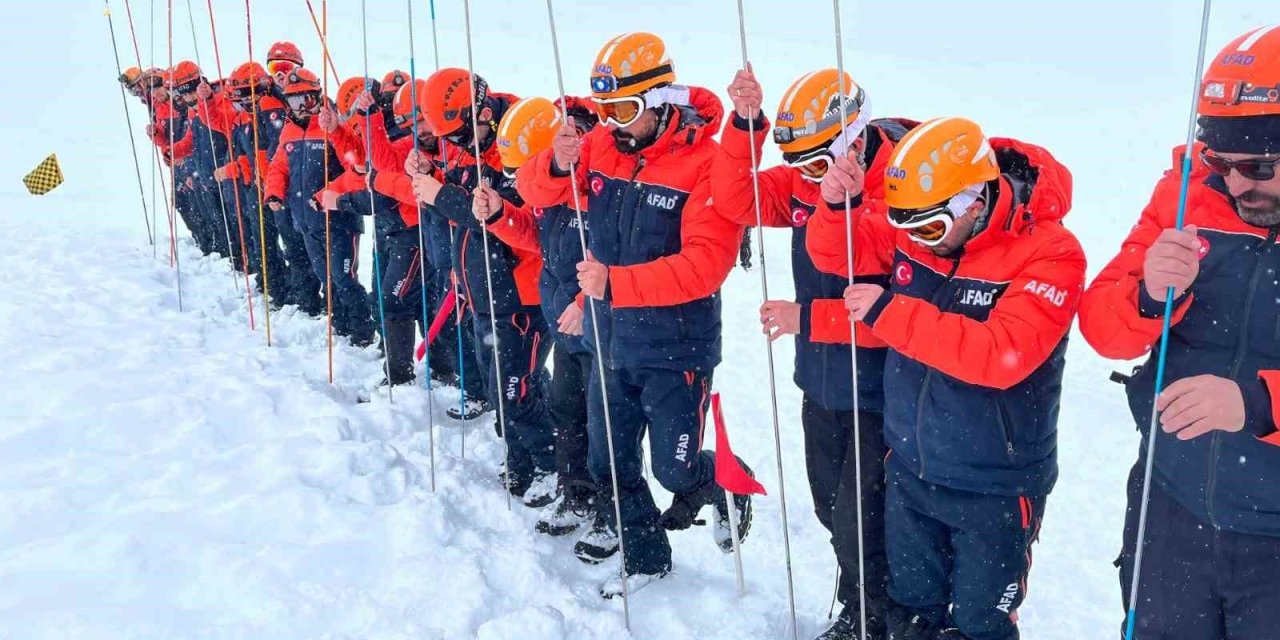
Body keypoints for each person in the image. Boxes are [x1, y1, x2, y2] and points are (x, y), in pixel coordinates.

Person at [807, 116, 1085, 639]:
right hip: (911, 466)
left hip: (995, 485)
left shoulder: (1051, 252)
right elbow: (835, 252)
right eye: (907, 227)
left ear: (974, 202)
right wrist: (838, 205)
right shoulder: (919, 228)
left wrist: (890, 313)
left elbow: (1001, 355)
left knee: (980, 621)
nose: (916, 240)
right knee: (912, 609)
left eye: (930, 229)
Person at [517, 31, 753, 597]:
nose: (610, 123)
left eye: (622, 109)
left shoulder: (705, 163)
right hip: (611, 342)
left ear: (660, 100)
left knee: (673, 470)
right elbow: (537, 194)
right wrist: (555, 162)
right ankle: (647, 558)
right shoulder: (601, 145)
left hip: (676, 349)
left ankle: (720, 480)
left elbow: (705, 266)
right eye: (603, 110)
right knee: (610, 463)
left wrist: (616, 284)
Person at [1078, 26, 1280, 639]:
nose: (1236, 184)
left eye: (1259, 166)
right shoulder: (1187, 194)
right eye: (1222, 162)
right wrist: (1148, 295)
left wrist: (1257, 403)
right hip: (1172, 509)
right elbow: (1104, 330)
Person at [711, 66, 908, 638]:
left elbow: (903, 314)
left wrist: (806, 319)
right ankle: (859, 602)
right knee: (829, 507)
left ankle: (873, 619)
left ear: (856, 139)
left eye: (817, 163)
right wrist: (745, 124)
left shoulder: (906, 195)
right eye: (797, 162)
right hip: (820, 380)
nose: (807, 176)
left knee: (861, 520)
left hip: (881, 390)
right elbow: (736, 199)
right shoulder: (808, 180)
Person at [406, 67, 558, 508]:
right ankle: (524, 457)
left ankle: (550, 462)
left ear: (484, 113)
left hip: (520, 295)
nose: (453, 145)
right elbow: (463, 193)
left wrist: (438, 194)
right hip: (482, 290)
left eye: (457, 135)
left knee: (514, 391)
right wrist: (431, 169)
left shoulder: (521, 143)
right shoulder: (466, 145)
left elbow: (502, 216)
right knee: (501, 387)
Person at [485, 95, 600, 537]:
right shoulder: (548, 188)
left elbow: (618, 254)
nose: (523, 183)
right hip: (565, 323)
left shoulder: (593, 184)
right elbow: (542, 242)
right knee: (567, 413)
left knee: (607, 428)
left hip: (604, 324)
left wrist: (584, 304)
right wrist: (500, 215)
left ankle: (612, 514)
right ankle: (577, 496)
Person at [266, 68, 372, 341]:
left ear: (317, 96)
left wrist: (327, 194)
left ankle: (362, 332)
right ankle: (340, 327)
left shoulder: (334, 125)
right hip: (306, 221)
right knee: (326, 277)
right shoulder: (289, 131)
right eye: (294, 101)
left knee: (344, 278)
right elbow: (279, 166)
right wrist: (274, 192)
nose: (301, 107)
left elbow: (355, 168)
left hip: (339, 221)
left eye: (306, 99)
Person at [218, 61, 295, 309]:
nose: (241, 104)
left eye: (243, 98)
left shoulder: (271, 107)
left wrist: (265, 180)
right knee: (263, 238)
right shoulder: (246, 117)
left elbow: (272, 151)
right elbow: (246, 152)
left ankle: (286, 290)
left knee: (286, 241)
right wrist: (247, 174)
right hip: (259, 185)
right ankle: (272, 284)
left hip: (276, 186)